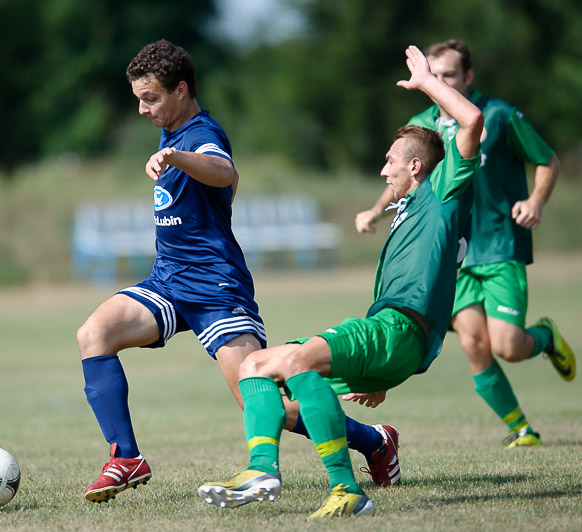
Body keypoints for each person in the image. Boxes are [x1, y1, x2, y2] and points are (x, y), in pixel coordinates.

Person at [77, 39, 387, 505]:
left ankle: (375, 441)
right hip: (167, 280)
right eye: (138, 98)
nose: (142, 109)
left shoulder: (202, 132)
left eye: (151, 98)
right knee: (94, 334)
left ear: (181, 90)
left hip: (217, 287)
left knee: (262, 403)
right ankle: (126, 457)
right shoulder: (172, 129)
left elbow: (223, 171)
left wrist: (178, 158)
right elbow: (228, 186)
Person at [198, 45, 484, 518]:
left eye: (390, 160)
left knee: (295, 361)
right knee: (255, 367)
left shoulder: (443, 189)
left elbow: (471, 122)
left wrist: (428, 81)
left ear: (416, 166)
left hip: (398, 331)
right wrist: (384, 371)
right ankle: (261, 467)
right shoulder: (411, 206)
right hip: (395, 337)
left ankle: (343, 488)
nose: (383, 168)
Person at [356, 39, 576, 449]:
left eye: (449, 76)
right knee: (474, 343)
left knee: (508, 345)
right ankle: (522, 429)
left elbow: (547, 159)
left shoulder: (499, 115)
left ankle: (544, 337)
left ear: (468, 77)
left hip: (497, 245)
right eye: (433, 76)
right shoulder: (422, 121)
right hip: (452, 257)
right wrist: (374, 209)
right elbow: (409, 174)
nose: (440, 82)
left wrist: (535, 200)